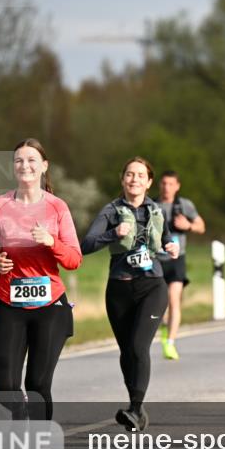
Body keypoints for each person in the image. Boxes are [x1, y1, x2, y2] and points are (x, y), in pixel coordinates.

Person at [0, 139, 81, 421]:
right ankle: (21, 411)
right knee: (3, 386)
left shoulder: (57, 207)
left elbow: (74, 259)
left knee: (37, 384)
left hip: (50, 306)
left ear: (44, 166)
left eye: (32, 160)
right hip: (8, 302)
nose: (25, 165)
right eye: (19, 160)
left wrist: (51, 242)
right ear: (13, 167)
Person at [81, 157, 179, 432]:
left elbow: (167, 238)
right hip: (119, 288)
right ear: (122, 179)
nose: (134, 179)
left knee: (138, 346)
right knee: (127, 352)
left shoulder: (157, 211)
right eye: (129, 175)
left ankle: (135, 409)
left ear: (149, 182)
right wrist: (112, 233)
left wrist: (171, 246)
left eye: (140, 175)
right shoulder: (111, 211)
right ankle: (136, 407)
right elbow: (86, 244)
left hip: (153, 286)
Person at [156, 171, 205, 360]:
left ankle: (170, 343)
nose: (166, 187)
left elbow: (201, 226)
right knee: (159, 303)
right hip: (156, 260)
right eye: (164, 184)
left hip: (177, 260)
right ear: (159, 185)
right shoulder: (151, 204)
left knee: (174, 300)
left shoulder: (184, 205)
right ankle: (163, 327)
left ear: (177, 186)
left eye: (170, 184)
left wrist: (188, 226)